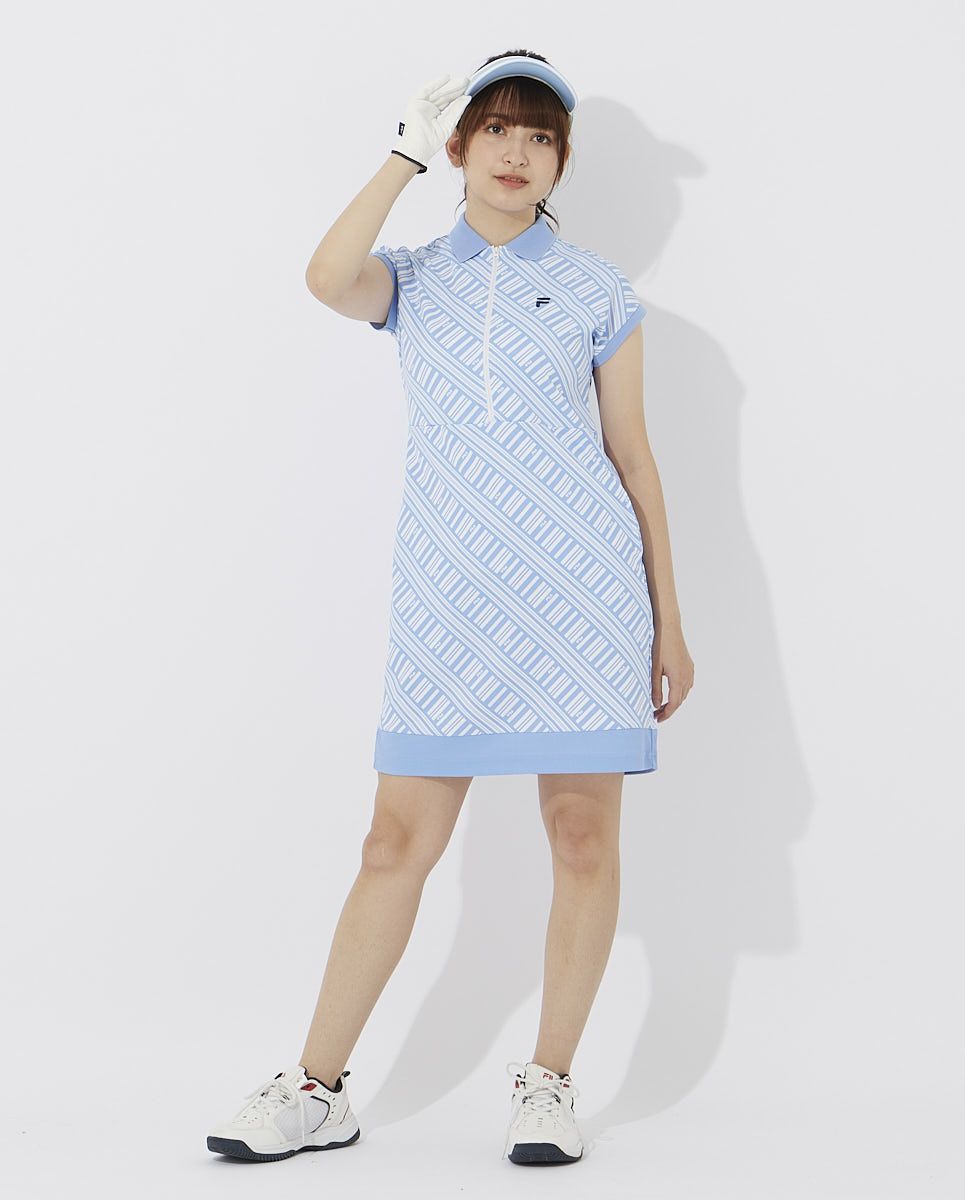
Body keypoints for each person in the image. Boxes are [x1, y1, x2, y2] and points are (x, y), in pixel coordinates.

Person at [206, 48, 694, 1168]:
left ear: (560, 161)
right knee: (393, 843)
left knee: (581, 838)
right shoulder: (412, 279)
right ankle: (316, 1088)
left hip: (582, 601)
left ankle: (549, 1084)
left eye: (541, 137)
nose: (518, 153)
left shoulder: (600, 291)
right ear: (461, 146)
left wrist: (668, 618)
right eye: (498, 130)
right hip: (448, 606)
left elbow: (636, 460)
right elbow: (325, 278)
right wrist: (399, 156)